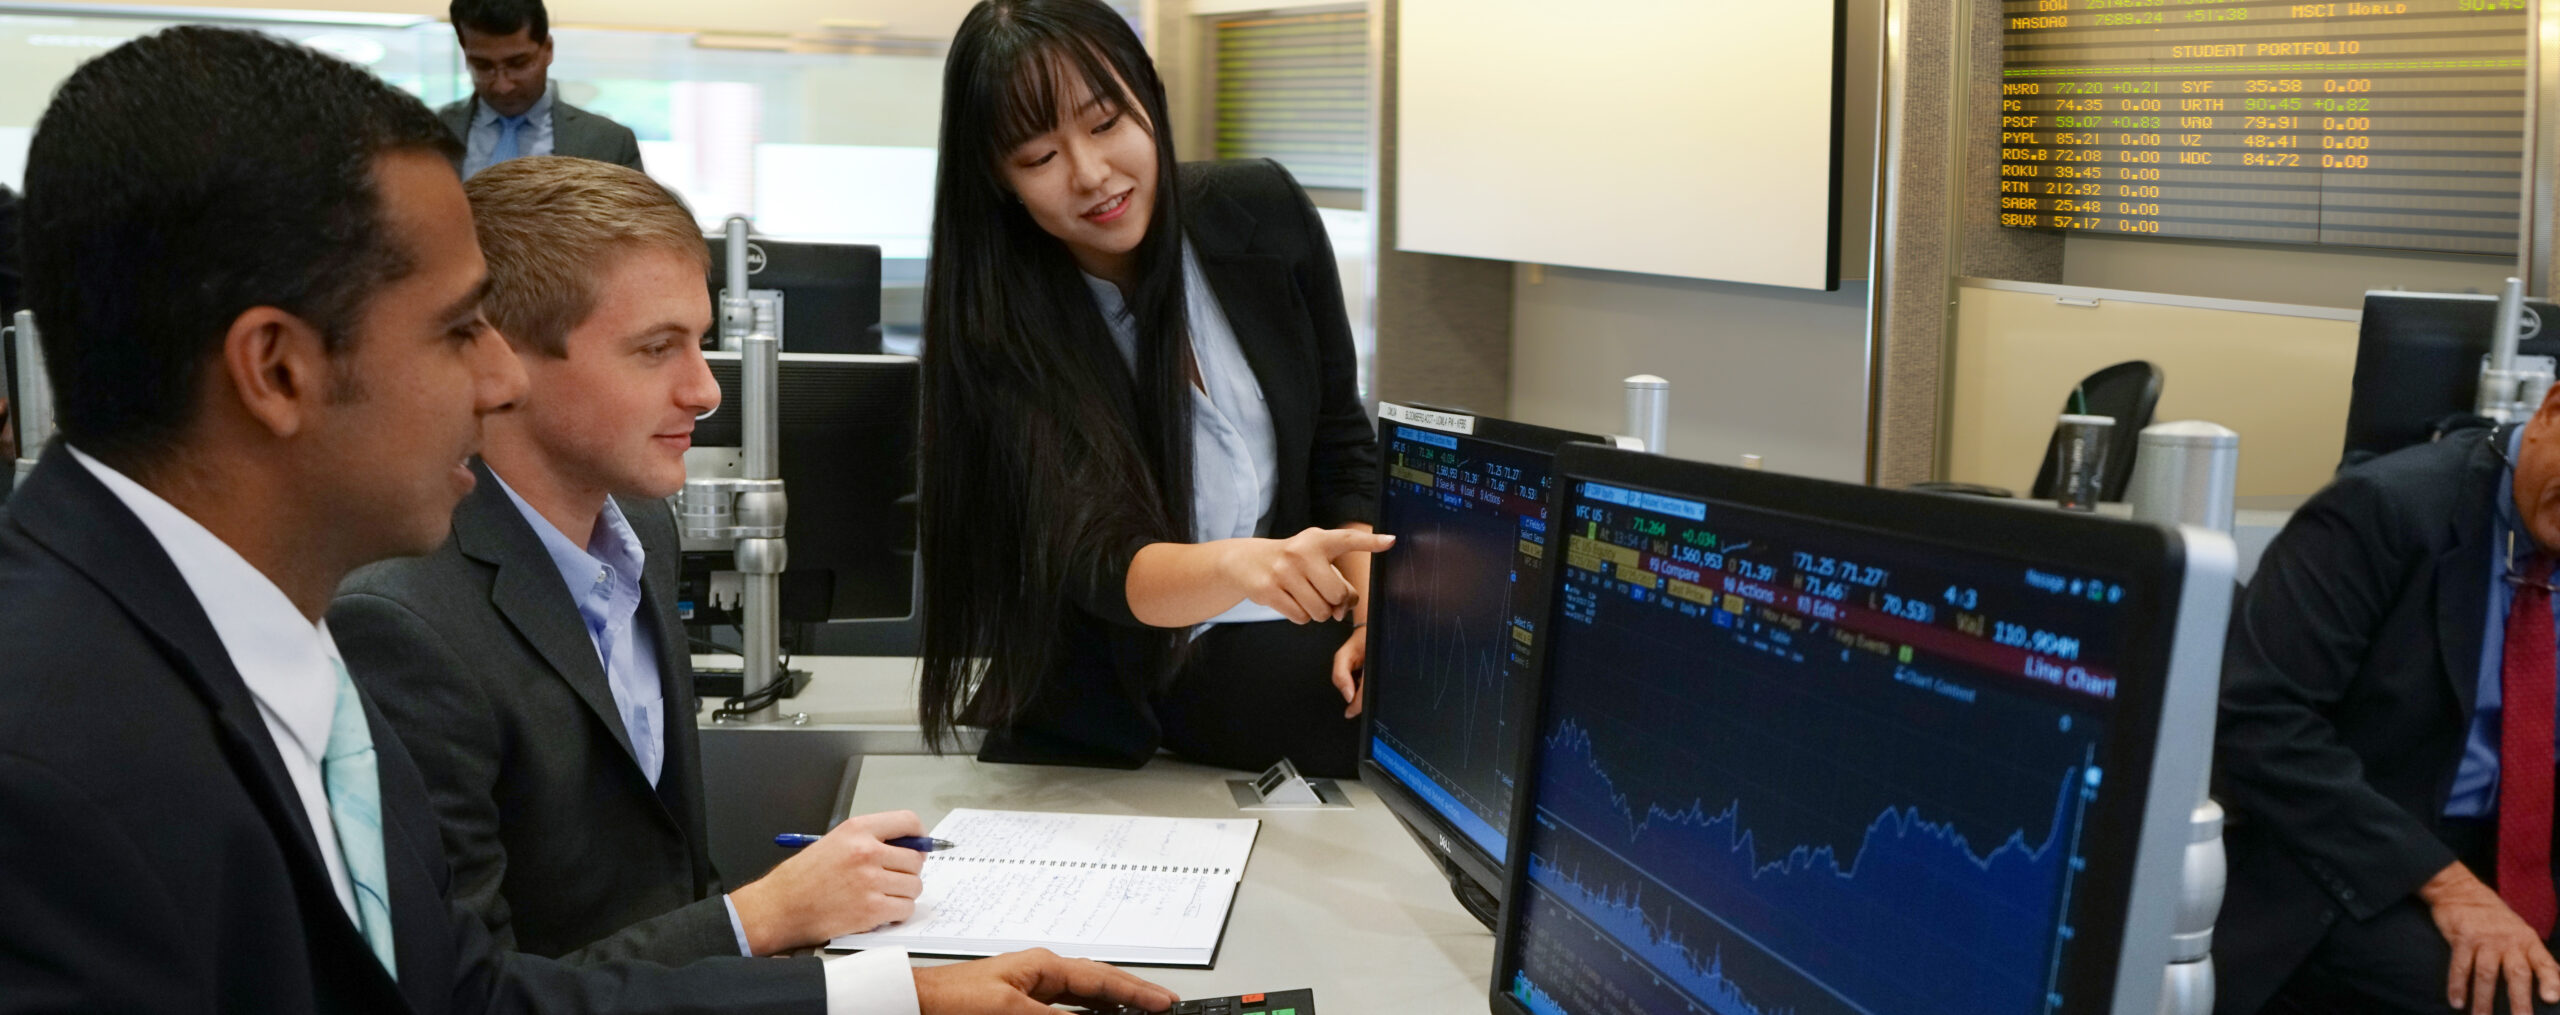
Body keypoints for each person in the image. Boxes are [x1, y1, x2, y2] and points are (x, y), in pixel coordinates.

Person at [0, 26, 1174, 1015]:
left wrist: (891, 995)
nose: (494, 383)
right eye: (457, 330)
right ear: (278, 369)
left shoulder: (256, 630)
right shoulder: (53, 763)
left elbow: (466, 1000)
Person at [331, 155, 930, 965]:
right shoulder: (401, 624)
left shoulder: (644, 528)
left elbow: (666, 880)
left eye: (702, 344)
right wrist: (759, 919)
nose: (706, 390)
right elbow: (469, 993)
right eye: (656, 350)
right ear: (500, 361)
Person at [916, 0, 1390, 779]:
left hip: (1292, 628)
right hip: (1135, 678)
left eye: (1107, 124)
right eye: (1040, 156)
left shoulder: (1262, 213)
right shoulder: (997, 332)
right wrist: (1244, 566)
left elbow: (1342, 447)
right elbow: (1102, 560)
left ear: (1148, 100)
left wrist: (1376, 611)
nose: (1092, 173)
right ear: (1000, 184)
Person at [2218, 399, 2560, 1015]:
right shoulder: (2384, 509)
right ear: (2552, 412)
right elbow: (2259, 720)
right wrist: (2450, 884)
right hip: (2358, 858)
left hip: (2521, 853)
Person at [440, 0, 644, 179]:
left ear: (547, 50)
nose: (503, 86)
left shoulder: (609, 142)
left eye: (518, 63)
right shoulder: (432, 136)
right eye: (483, 66)